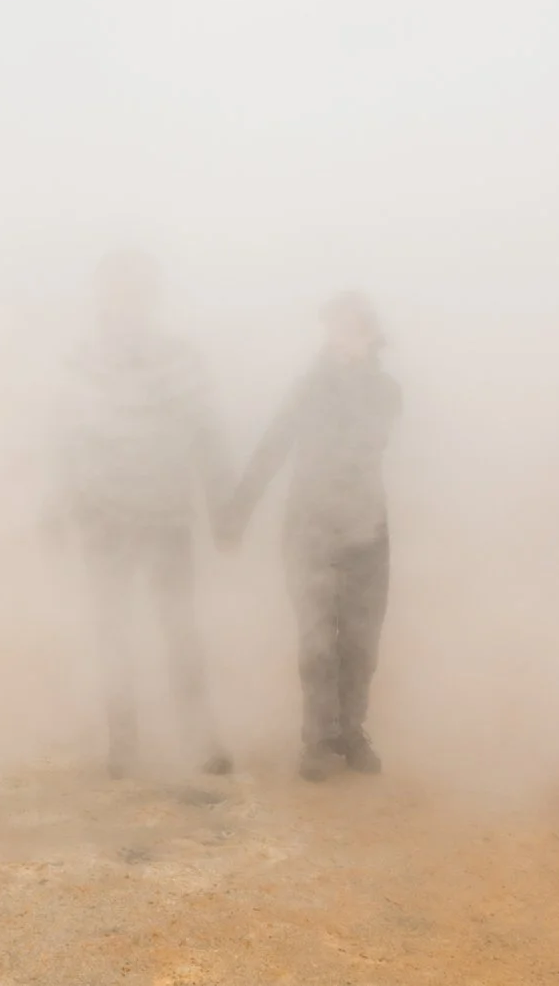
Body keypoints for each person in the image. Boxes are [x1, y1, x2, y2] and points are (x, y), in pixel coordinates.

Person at [43, 248, 234, 780]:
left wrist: (222, 507)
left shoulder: (178, 356)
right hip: (103, 515)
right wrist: (56, 506)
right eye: (118, 287)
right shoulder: (82, 360)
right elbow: (62, 436)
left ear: (151, 294)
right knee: (113, 633)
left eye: (138, 287)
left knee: (180, 629)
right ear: (103, 293)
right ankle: (123, 744)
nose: (128, 298)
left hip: (166, 511)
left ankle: (200, 741)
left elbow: (207, 431)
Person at [219, 290, 401, 782]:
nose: (340, 337)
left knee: (361, 642)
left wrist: (349, 375)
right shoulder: (308, 389)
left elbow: (365, 441)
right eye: (333, 328)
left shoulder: (385, 390)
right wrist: (238, 510)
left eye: (351, 328)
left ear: (370, 333)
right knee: (318, 639)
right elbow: (272, 448)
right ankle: (317, 740)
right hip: (309, 530)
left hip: (367, 529)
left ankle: (352, 732)